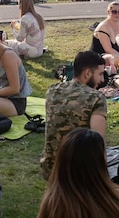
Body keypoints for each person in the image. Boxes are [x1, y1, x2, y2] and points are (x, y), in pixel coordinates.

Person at [41, 51, 108, 179]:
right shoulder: (96, 98)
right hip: (79, 175)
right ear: (87, 73)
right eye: (100, 74)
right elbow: (98, 143)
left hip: (51, 170)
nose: (102, 80)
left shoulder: (52, 90)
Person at [90, 2, 119, 71]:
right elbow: (108, 50)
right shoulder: (103, 27)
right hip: (100, 56)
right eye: (114, 12)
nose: (117, 14)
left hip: (116, 55)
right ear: (108, 12)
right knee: (116, 59)